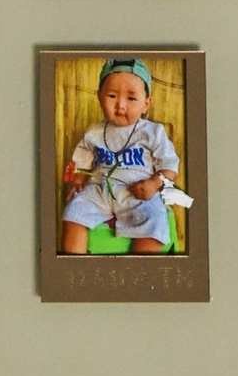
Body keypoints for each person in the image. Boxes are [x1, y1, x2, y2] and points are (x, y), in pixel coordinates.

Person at [61, 58, 180, 253]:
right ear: (99, 97)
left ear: (146, 104)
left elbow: (169, 165)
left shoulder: (152, 132)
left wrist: (154, 184)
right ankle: (74, 263)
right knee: (74, 212)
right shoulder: (94, 132)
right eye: (112, 96)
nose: (121, 105)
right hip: (100, 190)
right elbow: (82, 160)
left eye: (131, 98)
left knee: (155, 221)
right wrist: (78, 179)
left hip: (138, 193)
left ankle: (140, 267)